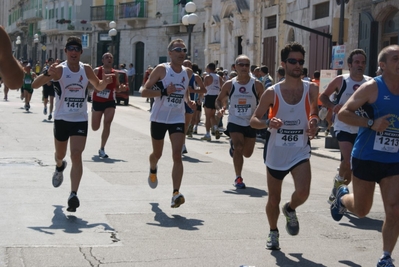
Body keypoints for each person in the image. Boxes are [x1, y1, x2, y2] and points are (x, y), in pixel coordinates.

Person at [331, 44, 399, 267]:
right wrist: (371, 123)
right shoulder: (372, 88)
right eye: (396, 59)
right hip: (367, 156)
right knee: (361, 210)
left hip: (394, 160)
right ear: (383, 65)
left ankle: (386, 257)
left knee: (394, 208)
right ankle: (341, 197)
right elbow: (343, 113)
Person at [250, 42, 319, 250]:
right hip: (276, 151)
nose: (297, 65)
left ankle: (290, 209)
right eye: (292, 61)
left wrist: (314, 122)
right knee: (273, 198)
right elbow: (253, 119)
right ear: (283, 64)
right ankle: (273, 232)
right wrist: (267, 123)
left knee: (304, 192)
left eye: (300, 61)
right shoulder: (273, 92)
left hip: (300, 149)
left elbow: (314, 112)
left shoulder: (311, 89)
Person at [32, 36, 113, 212]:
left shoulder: (86, 69)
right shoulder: (58, 70)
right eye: (71, 48)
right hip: (61, 118)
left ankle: (73, 194)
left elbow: (97, 86)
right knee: (60, 154)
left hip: (79, 119)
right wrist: (46, 73)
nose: (74, 52)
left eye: (77, 48)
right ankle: (59, 166)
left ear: (81, 52)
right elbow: (35, 84)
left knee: (76, 155)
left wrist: (104, 83)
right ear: (66, 51)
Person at [140, 39, 195, 208]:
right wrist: (163, 91)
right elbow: (143, 92)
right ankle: (153, 166)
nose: (181, 52)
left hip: (177, 118)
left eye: (183, 49)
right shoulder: (162, 70)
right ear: (170, 53)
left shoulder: (188, 72)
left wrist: (188, 101)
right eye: (177, 49)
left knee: (177, 154)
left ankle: (175, 193)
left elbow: (184, 89)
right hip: (159, 118)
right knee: (157, 153)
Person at [319, 49, 372, 204]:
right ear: (349, 65)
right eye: (356, 62)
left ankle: (339, 184)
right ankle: (340, 187)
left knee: (354, 166)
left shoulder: (370, 82)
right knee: (348, 161)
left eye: (362, 62)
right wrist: (332, 105)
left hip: (363, 128)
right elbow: (323, 96)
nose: (360, 65)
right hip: (344, 126)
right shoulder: (341, 81)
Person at [216, 55, 264, 189]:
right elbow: (219, 100)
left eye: (247, 65)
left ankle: (234, 148)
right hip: (234, 120)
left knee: (247, 153)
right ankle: (238, 177)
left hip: (251, 122)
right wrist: (220, 109)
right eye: (241, 65)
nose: (244, 67)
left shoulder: (257, 85)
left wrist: (263, 115)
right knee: (238, 147)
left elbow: (265, 102)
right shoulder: (230, 84)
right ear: (235, 67)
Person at [92, 52, 126, 158]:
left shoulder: (115, 73)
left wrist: (122, 88)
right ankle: (101, 147)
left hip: (110, 100)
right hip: (97, 100)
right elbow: (90, 85)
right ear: (103, 60)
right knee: (95, 127)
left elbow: (117, 87)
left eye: (111, 57)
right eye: (106, 57)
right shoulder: (97, 71)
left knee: (107, 122)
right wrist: (101, 85)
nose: (109, 59)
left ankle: (102, 148)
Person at [181, 60, 207, 154]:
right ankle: (179, 144)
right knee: (178, 124)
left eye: (189, 64)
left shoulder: (195, 76)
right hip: (178, 103)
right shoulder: (176, 74)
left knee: (186, 124)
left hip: (190, 102)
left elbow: (204, 90)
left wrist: (194, 91)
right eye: (185, 64)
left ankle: (182, 144)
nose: (187, 66)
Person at [202, 62, 224, 141]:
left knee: (207, 117)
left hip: (208, 96)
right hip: (216, 97)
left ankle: (207, 134)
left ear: (208, 68)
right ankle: (215, 127)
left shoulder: (208, 77)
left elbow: (203, 88)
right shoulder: (219, 77)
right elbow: (223, 87)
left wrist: (200, 97)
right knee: (212, 115)